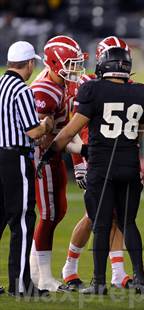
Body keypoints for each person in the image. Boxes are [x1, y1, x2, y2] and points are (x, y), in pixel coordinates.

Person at [37, 47, 144, 295]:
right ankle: (141, 278)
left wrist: (50, 153)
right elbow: (139, 133)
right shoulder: (143, 92)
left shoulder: (93, 89)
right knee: (128, 223)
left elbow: (69, 131)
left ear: (104, 65)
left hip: (102, 165)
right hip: (129, 164)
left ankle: (99, 282)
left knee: (100, 225)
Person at [62, 36, 134, 290]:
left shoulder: (125, 83)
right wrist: (79, 163)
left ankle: (117, 272)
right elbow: (76, 125)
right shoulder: (87, 85)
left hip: (116, 157)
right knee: (95, 216)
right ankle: (70, 266)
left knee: (115, 215)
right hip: (94, 155)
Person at [29, 35, 86, 292]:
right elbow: (43, 137)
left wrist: (77, 157)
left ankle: (34, 270)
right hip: (41, 156)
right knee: (49, 213)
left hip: (54, 153)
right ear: (53, 63)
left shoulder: (60, 83)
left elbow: (65, 129)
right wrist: (79, 150)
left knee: (58, 211)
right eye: (70, 64)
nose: (75, 69)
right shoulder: (44, 90)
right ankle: (43, 277)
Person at [0, 41, 53, 296]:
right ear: (30, 63)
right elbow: (33, 131)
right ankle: (20, 285)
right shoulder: (21, 89)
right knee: (22, 220)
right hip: (15, 158)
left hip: (0, 155)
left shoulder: (0, 85)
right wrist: (47, 124)